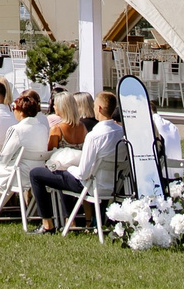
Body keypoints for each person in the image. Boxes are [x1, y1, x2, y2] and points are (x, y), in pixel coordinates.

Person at [25, 89, 130, 231]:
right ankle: (70, 220)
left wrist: (69, 168)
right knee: (62, 174)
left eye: (94, 106)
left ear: (99, 108)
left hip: (90, 185)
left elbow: (83, 174)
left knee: (36, 174)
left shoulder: (95, 136)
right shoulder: (122, 133)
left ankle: (47, 224)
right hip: (112, 185)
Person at [0, 88, 47, 222]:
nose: (13, 111)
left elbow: (4, 158)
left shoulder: (16, 129)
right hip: (35, 174)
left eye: (15, 108)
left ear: (21, 111)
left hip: (17, 175)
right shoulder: (42, 128)